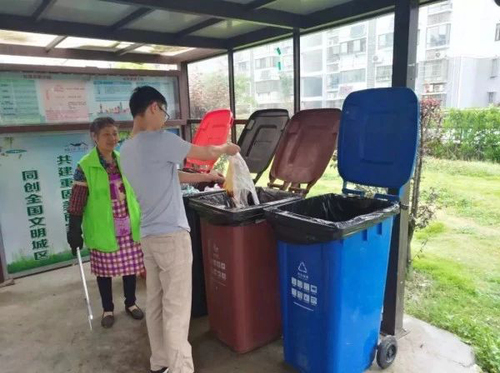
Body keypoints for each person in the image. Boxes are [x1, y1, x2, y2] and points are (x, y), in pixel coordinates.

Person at [120, 86, 239, 373]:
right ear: (152, 108)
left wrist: (207, 175)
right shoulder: (159, 139)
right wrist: (227, 148)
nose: (164, 118)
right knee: (177, 308)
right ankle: (181, 369)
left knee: (158, 303)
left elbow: (168, 174)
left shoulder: (127, 149)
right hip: (172, 236)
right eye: (163, 111)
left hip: (149, 236)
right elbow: (206, 150)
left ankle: (160, 361)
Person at [67, 117, 145, 329]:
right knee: (104, 271)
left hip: (129, 224)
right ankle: (108, 308)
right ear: (94, 137)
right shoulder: (85, 166)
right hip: (103, 227)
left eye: (114, 133)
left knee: (130, 268)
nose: (112, 138)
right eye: (106, 134)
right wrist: (73, 228)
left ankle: (131, 303)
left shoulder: (123, 159)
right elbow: (77, 200)